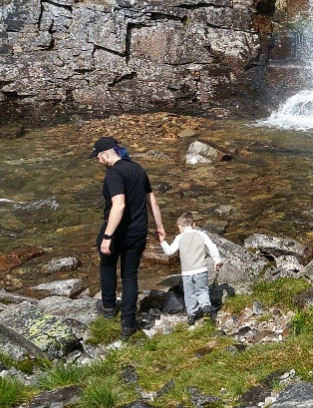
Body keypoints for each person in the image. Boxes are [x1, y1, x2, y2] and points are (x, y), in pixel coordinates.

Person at [89, 136, 166, 340]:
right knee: (129, 275)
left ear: (105, 154)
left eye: (97, 158)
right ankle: (128, 324)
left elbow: (119, 205)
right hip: (138, 231)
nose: (98, 162)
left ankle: (108, 307)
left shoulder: (114, 173)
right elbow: (152, 200)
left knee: (107, 265)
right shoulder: (138, 168)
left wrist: (107, 236)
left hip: (118, 231)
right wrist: (159, 227)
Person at [160, 212, 222, 325]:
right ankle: (206, 306)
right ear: (194, 224)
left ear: (180, 227)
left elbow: (169, 251)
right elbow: (212, 247)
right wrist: (217, 260)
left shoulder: (179, 237)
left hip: (187, 273)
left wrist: (162, 241)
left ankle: (191, 315)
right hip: (201, 270)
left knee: (189, 294)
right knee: (202, 290)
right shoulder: (201, 235)